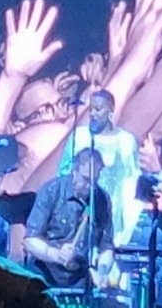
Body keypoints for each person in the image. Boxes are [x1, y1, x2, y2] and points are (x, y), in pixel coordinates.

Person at [23, 147, 115, 292]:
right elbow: (30, 240)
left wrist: (102, 272)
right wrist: (56, 254)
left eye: (95, 180)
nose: (90, 187)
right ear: (74, 171)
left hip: (79, 278)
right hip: (44, 274)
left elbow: (106, 247)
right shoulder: (51, 191)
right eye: (85, 179)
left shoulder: (102, 199)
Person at [59, 89, 142, 246]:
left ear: (111, 108)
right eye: (90, 109)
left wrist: (129, 220)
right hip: (79, 208)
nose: (92, 114)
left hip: (110, 208)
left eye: (98, 109)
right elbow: (64, 171)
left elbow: (131, 180)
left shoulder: (125, 141)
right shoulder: (80, 136)